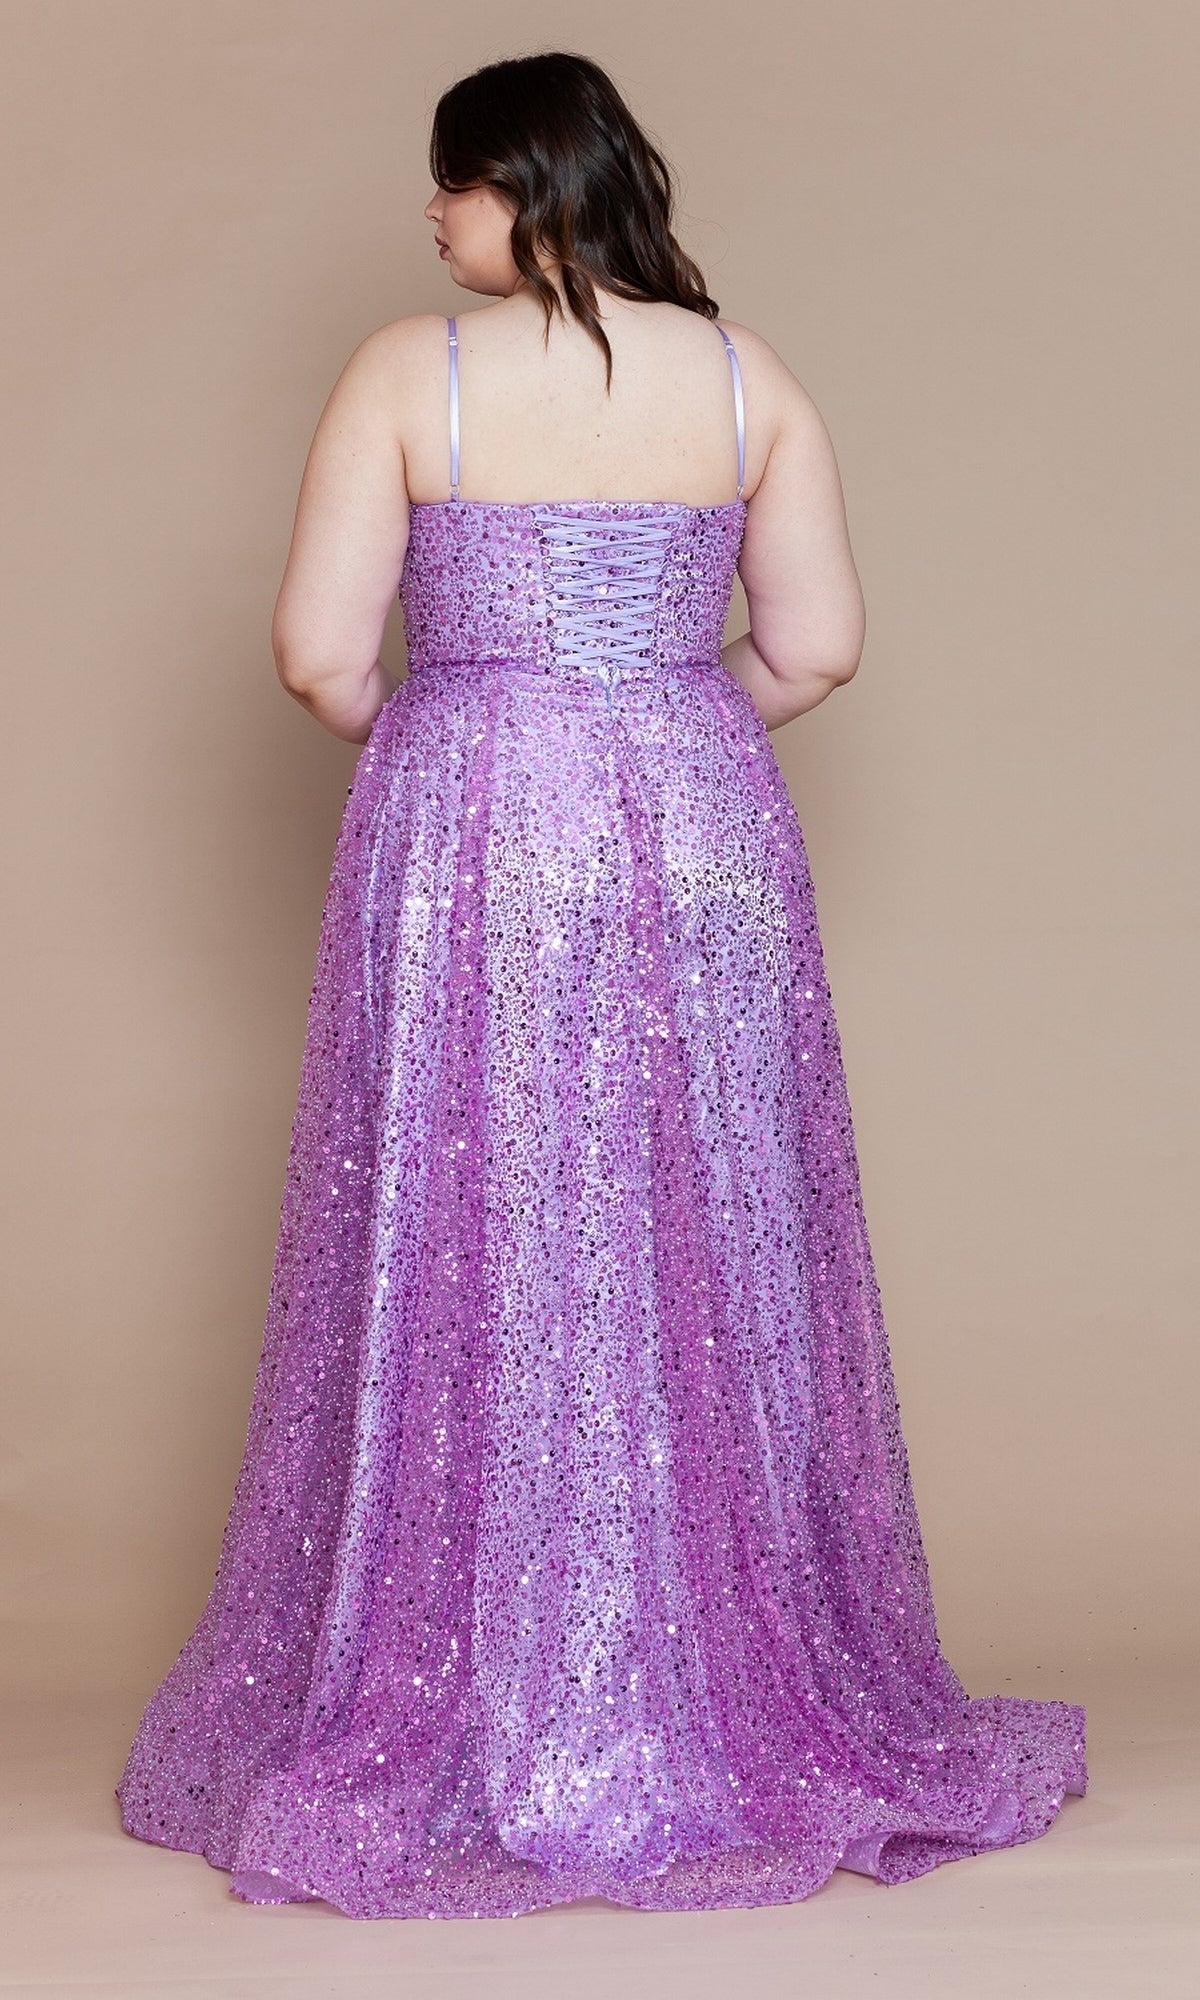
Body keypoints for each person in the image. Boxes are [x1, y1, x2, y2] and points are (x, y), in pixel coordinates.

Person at [115, 50, 1087, 1920]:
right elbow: (821, 648)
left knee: (474, 1235)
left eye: (453, 183)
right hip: (702, 811)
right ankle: (716, 1701)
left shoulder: (414, 374)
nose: (430, 214)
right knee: (702, 1233)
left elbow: (319, 651)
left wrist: (439, 731)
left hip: (475, 813)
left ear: (527, 186)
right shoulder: (749, 377)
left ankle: (484, 1701)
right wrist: (667, 715)